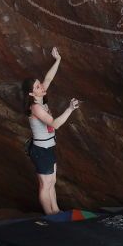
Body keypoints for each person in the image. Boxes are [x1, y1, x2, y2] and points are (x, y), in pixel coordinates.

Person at [22, 47, 80, 215]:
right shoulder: (35, 108)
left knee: (52, 181)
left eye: (40, 85)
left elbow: (48, 77)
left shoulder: (41, 97)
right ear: (31, 93)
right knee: (45, 184)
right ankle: (50, 215)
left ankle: (56, 210)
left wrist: (58, 60)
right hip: (40, 150)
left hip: (48, 147)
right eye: (38, 87)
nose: (41, 86)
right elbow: (54, 124)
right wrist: (69, 109)